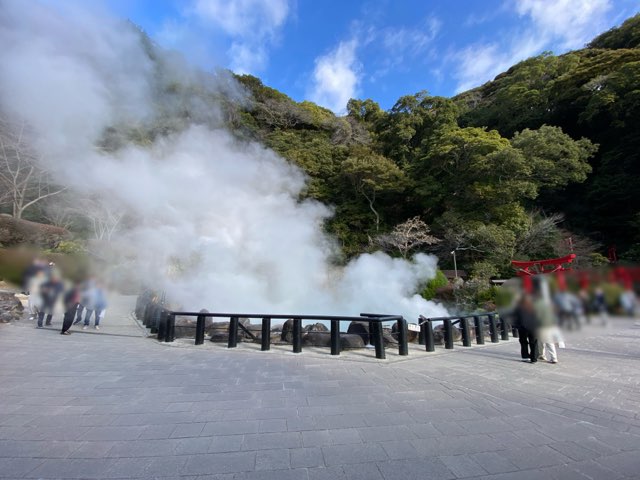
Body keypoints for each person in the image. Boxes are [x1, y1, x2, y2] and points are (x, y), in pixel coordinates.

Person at [513, 293, 538, 363]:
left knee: (523, 341)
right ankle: (534, 358)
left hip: (523, 328)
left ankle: (525, 356)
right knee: (533, 342)